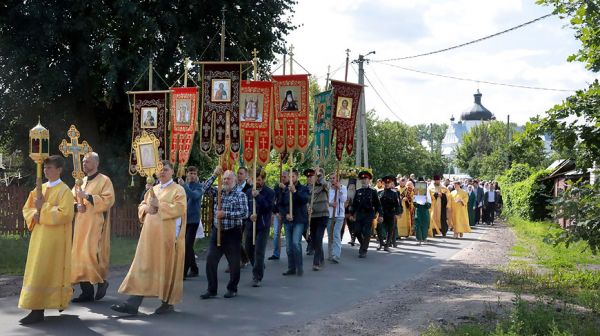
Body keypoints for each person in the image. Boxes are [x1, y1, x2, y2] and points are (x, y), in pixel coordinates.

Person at [111, 161, 187, 315]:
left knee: (165, 268)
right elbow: (142, 206)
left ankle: (167, 303)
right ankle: (132, 304)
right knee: (143, 267)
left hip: (166, 237)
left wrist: (160, 205)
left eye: (165, 170)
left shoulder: (178, 190)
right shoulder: (153, 189)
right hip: (148, 236)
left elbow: (180, 209)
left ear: (172, 172)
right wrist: (147, 208)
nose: (162, 172)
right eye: (160, 170)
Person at [19, 155, 75, 325]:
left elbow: (66, 214)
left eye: (50, 167)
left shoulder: (65, 190)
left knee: (46, 270)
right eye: (45, 168)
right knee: (36, 270)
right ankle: (38, 307)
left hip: (55, 239)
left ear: (59, 170)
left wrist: (43, 207)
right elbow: (27, 209)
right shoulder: (38, 188)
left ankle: (39, 309)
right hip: (38, 237)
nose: (46, 170)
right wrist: (34, 214)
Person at [71, 152, 115, 303]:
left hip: (95, 223)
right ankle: (87, 293)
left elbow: (109, 200)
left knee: (90, 253)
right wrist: (76, 206)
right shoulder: (80, 181)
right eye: (83, 161)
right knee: (79, 255)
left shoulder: (104, 180)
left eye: (88, 161)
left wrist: (88, 197)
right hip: (80, 223)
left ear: (96, 163)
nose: (84, 163)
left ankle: (101, 281)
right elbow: (72, 199)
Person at [201, 170, 249, 299]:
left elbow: (244, 214)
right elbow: (204, 189)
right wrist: (214, 174)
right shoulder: (218, 192)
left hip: (232, 232)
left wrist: (226, 215)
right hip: (217, 232)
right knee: (211, 259)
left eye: (228, 178)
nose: (225, 181)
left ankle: (232, 288)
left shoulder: (240, 195)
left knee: (233, 263)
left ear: (234, 180)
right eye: (224, 178)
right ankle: (212, 289)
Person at [178, 165, 221, 279]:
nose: (192, 175)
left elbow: (194, 196)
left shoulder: (199, 186)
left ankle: (183, 273)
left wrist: (184, 186)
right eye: (190, 173)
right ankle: (194, 268)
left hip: (194, 220)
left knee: (187, 245)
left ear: (197, 175)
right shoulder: (183, 186)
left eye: (194, 174)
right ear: (187, 174)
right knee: (187, 245)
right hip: (183, 219)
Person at [245, 168, 275, 287]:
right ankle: (259, 265)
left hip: (262, 225)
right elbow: (245, 208)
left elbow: (268, 207)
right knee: (248, 249)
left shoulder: (269, 192)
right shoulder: (248, 192)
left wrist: (258, 197)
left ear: (263, 179)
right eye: (255, 179)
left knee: (259, 251)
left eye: (259, 179)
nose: (257, 182)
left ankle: (257, 276)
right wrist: (249, 216)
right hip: (250, 225)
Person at [277, 169, 309, 276]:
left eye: (293, 176)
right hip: (288, 221)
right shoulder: (285, 190)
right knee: (289, 247)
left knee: (296, 243)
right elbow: (280, 205)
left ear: (297, 177)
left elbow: (304, 200)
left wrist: (294, 191)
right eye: (289, 177)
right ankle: (291, 268)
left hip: (299, 220)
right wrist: (285, 214)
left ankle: (299, 267)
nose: (291, 179)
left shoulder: (303, 188)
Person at [349, 171, 383, 258]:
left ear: (369, 180)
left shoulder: (373, 191)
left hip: (369, 215)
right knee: (357, 231)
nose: (364, 181)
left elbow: (378, 205)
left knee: (366, 232)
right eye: (362, 179)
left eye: (366, 179)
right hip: (360, 215)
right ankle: (363, 244)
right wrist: (351, 214)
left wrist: (381, 215)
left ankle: (363, 250)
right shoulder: (358, 191)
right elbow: (354, 205)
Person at [306, 168, 330, 271]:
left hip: (323, 215)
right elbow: (306, 200)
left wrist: (320, 176)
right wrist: (308, 207)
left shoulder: (325, 185)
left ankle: (316, 263)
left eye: (317, 176)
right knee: (315, 240)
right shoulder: (310, 187)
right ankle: (321, 258)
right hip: (313, 217)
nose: (315, 177)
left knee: (319, 238)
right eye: (314, 175)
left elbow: (326, 185)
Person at [377, 175, 402, 251]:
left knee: (390, 230)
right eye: (385, 183)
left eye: (389, 182)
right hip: (382, 214)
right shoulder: (379, 192)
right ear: (383, 183)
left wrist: (398, 213)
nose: (387, 184)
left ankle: (387, 245)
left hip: (391, 214)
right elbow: (376, 204)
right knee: (378, 228)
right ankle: (381, 243)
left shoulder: (394, 193)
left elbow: (397, 205)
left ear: (391, 183)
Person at [327, 173, 347, 263]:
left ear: (338, 179)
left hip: (339, 215)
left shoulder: (343, 187)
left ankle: (336, 255)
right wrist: (331, 204)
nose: (332, 180)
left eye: (333, 178)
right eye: (330, 178)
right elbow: (326, 202)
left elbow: (343, 200)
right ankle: (330, 254)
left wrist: (339, 189)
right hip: (330, 215)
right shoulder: (328, 189)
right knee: (330, 235)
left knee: (336, 234)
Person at [268, 172, 288, 260]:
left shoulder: (290, 187)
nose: (283, 178)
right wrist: (275, 212)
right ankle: (276, 253)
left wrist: (285, 189)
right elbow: (274, 201)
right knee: (276, 233)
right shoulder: (276, 188)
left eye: (285, 177)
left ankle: (291, 253)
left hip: (287, 214)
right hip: (278, 214)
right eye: (282, 177)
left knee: (288, 234)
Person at [414, 177, 431, 245]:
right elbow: (414, 203)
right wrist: (415, 201)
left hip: (425, 211)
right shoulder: (416, 191)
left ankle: (424, 238)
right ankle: (418, 239)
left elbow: (429, 204)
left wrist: (426, 201)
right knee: (417, 224)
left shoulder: (427, 192)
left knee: (425, 224)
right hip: (418, 210)